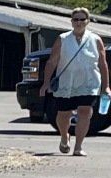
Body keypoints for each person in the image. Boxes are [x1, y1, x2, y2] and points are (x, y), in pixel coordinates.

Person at [40, 9, 109, 155]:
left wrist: (106, 86)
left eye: (82, 19)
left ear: (88, 21)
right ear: (71, 21)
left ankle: (78, 146)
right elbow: (52, 62)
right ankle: (65, 137)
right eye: (76, 19)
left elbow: (103, 64)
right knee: (63, 114)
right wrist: (46, 83)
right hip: (66, 83)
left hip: (89, 83)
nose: (79, 22)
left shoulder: (96, 39)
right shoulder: (63, 39)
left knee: (85, 112)